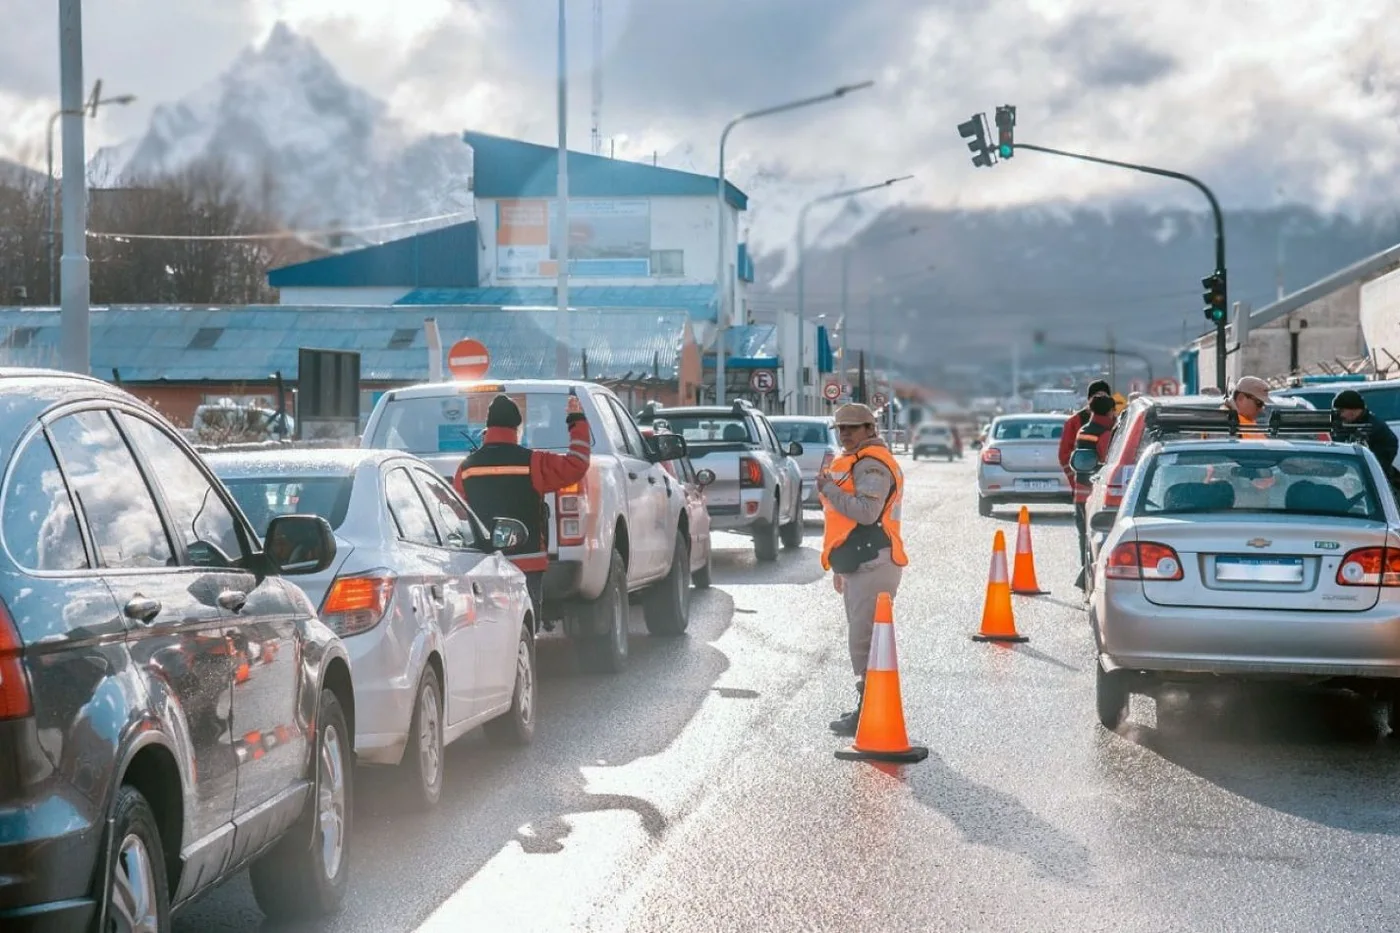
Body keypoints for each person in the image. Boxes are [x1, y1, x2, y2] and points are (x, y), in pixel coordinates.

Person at [454, 393, 591, 622]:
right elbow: (577, 463)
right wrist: (576, 420)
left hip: (485, 567)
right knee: (525, 634)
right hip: (528, 564)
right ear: (517, 428)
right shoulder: (534, 462)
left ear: (488, 428)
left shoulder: (466, 468)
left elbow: (457, 512)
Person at [816, 402, 908, 737]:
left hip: (873, 560)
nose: (844, 434)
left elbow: (867, 513)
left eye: (852, 428)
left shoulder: (871, 464)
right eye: (840, 428)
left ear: (870, 429)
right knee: (865, 639)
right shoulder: (861, 460)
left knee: (865, 641)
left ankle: (869, 708)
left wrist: (827, 489)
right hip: (864, 560)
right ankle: (869, 704)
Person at [1057, 380, 1117, 591]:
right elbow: (1066, 456)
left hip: (1085, 491)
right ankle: (1090, 582)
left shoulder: (1085, 426)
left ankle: (1087, 582)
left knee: (1087, 537)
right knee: (1092, 539)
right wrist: (1076, 481)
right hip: (1092, 492)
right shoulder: (1084, 424)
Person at [1334, 389, 1400, 485]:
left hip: (1375, 480)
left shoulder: (1376, 427)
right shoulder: (1344, 425)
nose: (1340, 415)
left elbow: (1386, 454)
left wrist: (1370, 468)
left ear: (1353, 410)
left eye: (1342, 411)